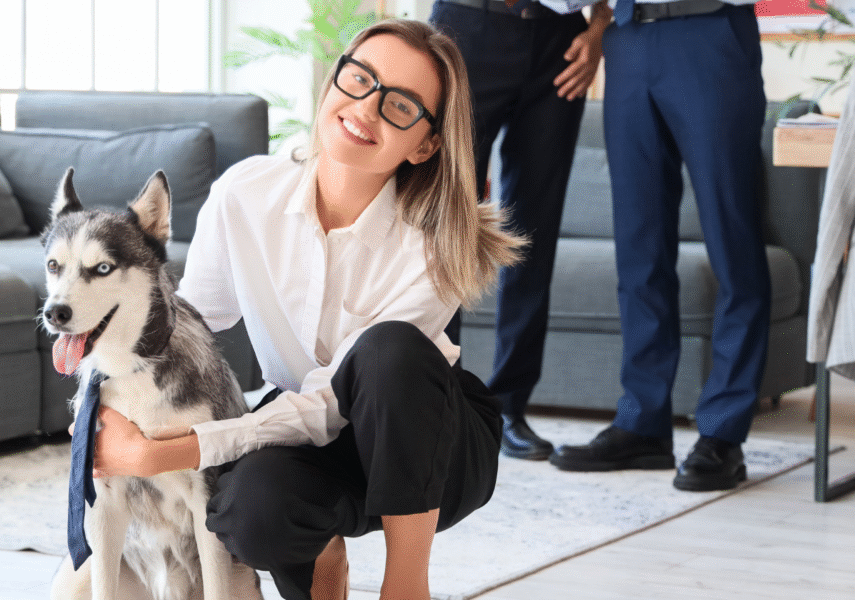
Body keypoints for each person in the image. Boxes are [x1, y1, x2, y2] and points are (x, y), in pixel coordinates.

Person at [81, 18, 526, 600]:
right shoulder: (244, 194)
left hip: (428, 440)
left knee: (389, 351)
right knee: (245, 513)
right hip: (309, 435)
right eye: (359, 79)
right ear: (332, 81)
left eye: (400, 105)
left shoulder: (435, 244)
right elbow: (184, 324)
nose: (366, 109)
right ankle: (323, 552)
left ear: (426, 143)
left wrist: (170, 449)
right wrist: (102, 397)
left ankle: (406, 583)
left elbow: (331, 399)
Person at [541, 0, 771, 492]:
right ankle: (643, 422)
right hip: (628, 38)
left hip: (710, 32)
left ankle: (723, 433)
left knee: (733, 244)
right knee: (638, 247)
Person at [429, 0, 612, 461]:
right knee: (446, 220)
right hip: (469, 28)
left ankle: (509, 407)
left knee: (535, 228)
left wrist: (600, 28)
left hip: (559, 39)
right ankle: (439, 405)